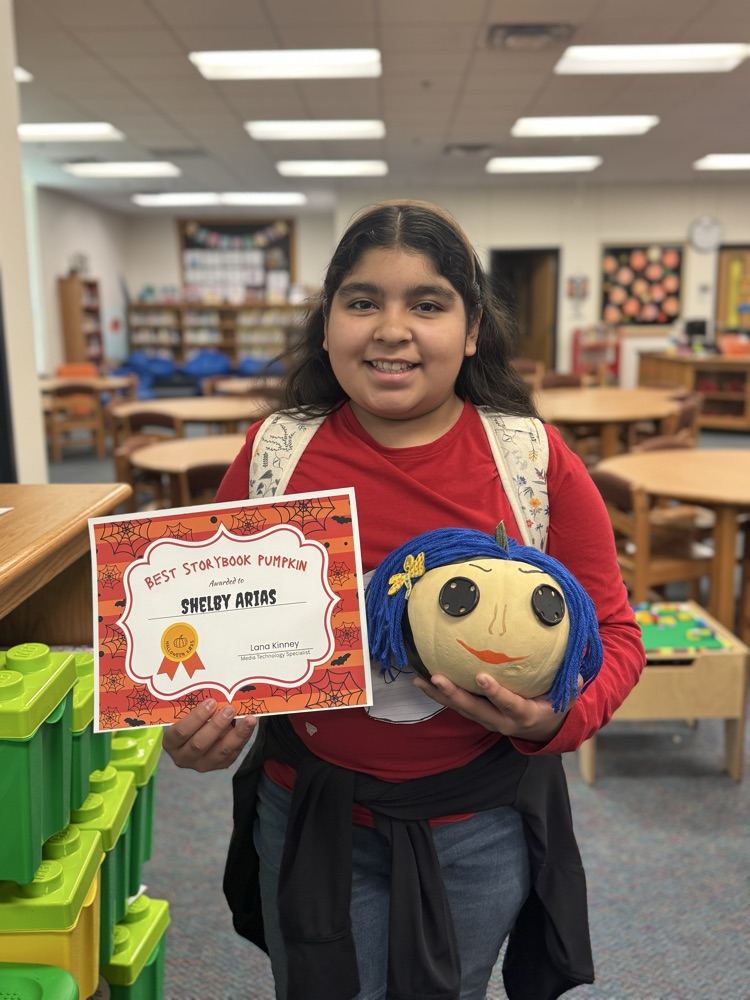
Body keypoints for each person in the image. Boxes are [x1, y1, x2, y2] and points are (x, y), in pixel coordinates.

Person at [162, 199, 646, 1000]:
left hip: (478, 825)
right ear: (327, 326)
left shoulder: (528, 457)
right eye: (361, 302)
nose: (391, 329)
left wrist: (558, 718)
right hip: (310, 815)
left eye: (427, 303)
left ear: (473, 327)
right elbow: (213, 636)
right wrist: (195, 726)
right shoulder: (276, 454)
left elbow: (618, 635)